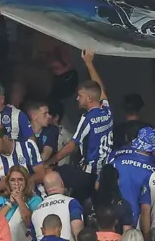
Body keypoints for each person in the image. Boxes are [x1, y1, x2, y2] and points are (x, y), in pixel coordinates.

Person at [47, 50, 112, 199]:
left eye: (80, 96)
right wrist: (89, 63)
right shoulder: (107, 111)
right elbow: (101, 91)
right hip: (103, 171)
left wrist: (50, 162)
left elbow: (71, 146)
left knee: (53, 174)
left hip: (88, 174)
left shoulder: (88, 118)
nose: (77, 98)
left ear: (89, 98)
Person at [0, 166, 44, 241]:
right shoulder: (1, 199)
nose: (16, 183)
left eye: (20, 180)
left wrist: (20, 200)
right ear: (8, 182)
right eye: (12, 180)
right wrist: (10, 203)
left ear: (26, 181)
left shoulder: (36, 200)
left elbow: (29, 223)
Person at [30, 173, 83, 241]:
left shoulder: (35, 210)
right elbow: (77, 228)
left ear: (45, 188)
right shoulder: (71, 202)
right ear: (62, 183)